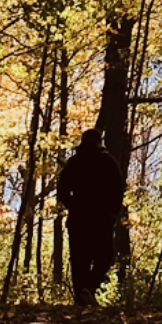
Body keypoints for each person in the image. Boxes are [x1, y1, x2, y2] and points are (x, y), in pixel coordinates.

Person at [56, 127, 125, 306]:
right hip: (101, 218)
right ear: (99, 141)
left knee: (80, 259)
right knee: (104, 256)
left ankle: (82, 299)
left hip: (78, 219)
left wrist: (71, 205)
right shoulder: (108, 162)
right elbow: (118, 189)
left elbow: (62, 189)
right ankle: (90, 288)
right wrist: (113, 212)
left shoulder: (75, 162)